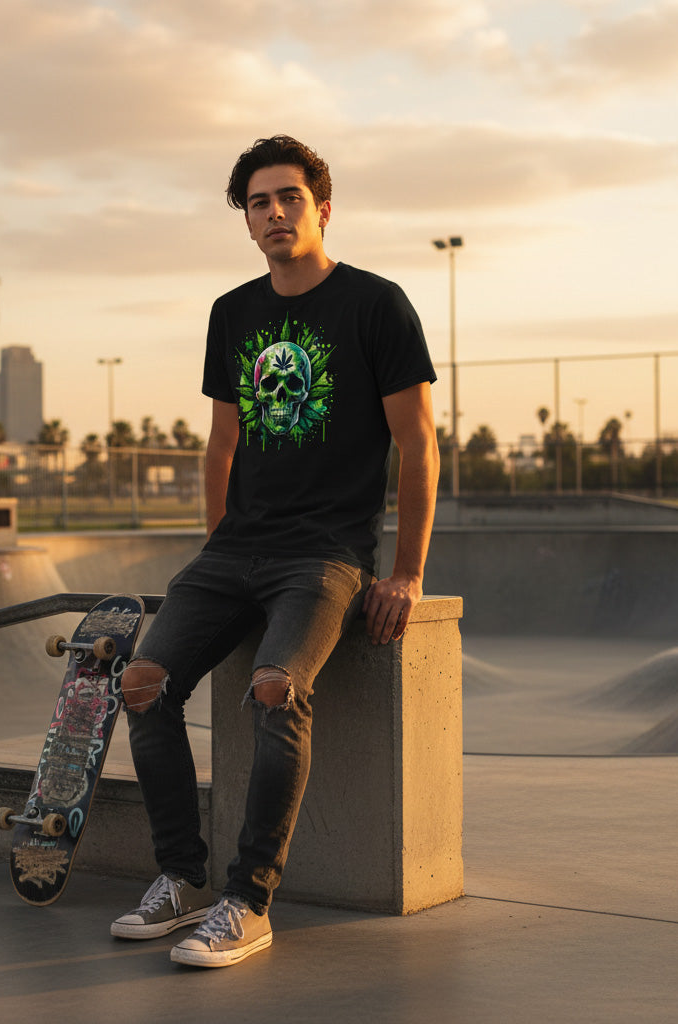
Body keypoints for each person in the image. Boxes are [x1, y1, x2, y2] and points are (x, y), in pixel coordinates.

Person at [110, 135, 440, 968]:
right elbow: (220, 444)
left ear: (322, 209)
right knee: (143, 685)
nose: (274, 213)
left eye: (289, 198)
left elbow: (420, 443)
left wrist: (405, 571)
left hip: (325, 554)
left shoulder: (377, 304)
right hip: (236, 548)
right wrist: (215, 544)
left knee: (274, 688)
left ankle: (247, 901)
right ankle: (181, 879)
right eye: (259, 203)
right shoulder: (234, 312)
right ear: (247, 221)